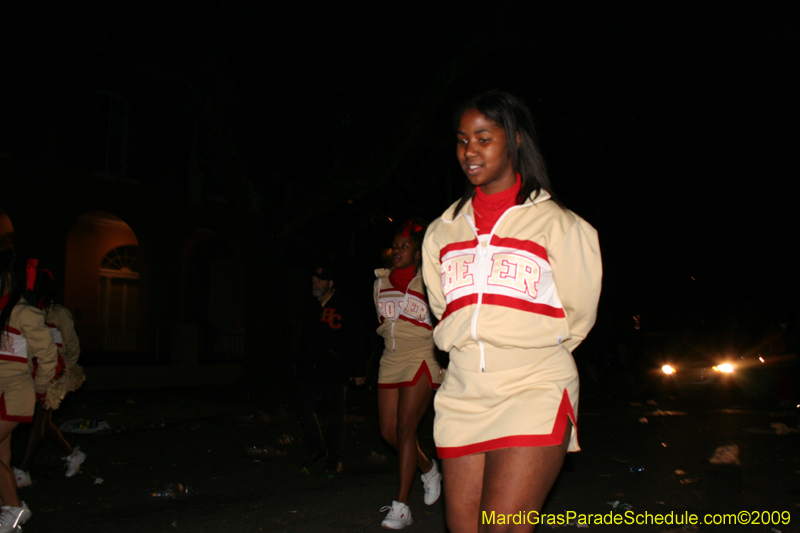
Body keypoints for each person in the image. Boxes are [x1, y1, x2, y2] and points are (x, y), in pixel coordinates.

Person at [421, 91, 602, 532]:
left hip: (532, 387)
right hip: (462, 394)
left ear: (516, 140)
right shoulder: (441, 232)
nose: (470, 151)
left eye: (484, 138)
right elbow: (445, 311)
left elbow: (578, 314)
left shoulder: (560, 224)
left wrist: (523, 348)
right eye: (463, 140)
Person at [374, 220, 443, 529]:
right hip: (390, 358)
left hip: (422, 356)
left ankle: (402, 507)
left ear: (417, 252)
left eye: (405, 246)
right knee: (389, 432)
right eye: (395, 246)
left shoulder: (430, 281)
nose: (397, 251)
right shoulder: (379, 282)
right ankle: (428, 468)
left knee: (405, 429)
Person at [0, 251, 59, 532]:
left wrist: (40, 390)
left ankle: (14, 509)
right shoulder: (3, 310)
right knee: (3, 457)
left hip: (14, 393)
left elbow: (48, 356)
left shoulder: (24, 312)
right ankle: (9, 513)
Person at [14, 270, 86, 488]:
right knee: (44, 422)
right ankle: (73, 454)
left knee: (40, 420)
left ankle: (23, 470)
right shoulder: (31, 311)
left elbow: (73, 347)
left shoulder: (59, 313)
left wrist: (66, 375)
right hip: (35, 372)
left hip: (55, 373)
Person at [295, 265, 367, 475]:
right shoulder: (312, 307)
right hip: (312, 371)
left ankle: (335, 459)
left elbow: (356, 337)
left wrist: (358, 369)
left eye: (320, 280)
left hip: (336, 370)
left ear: (330, 284)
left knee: (336, 415)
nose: (315, 284)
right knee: (303, 408)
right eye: (313, 280)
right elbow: (305, 339)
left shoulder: (344, 306)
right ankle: (317, 450)